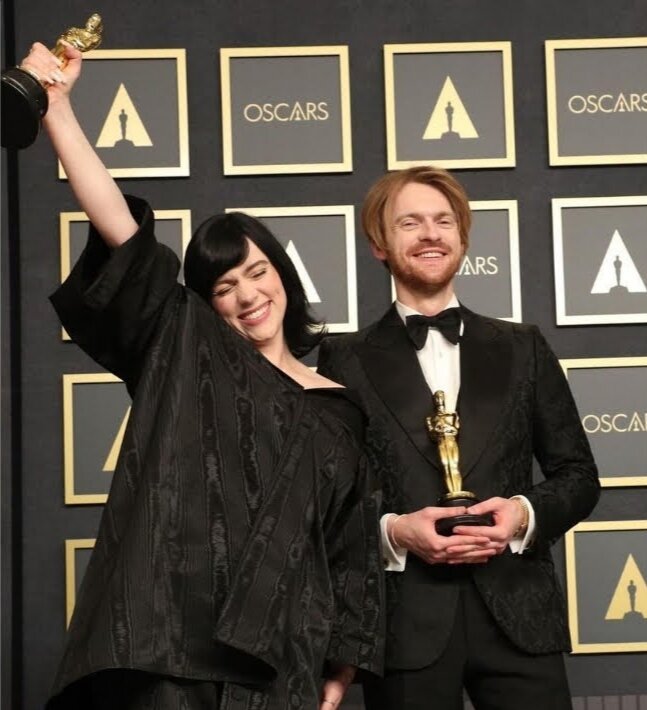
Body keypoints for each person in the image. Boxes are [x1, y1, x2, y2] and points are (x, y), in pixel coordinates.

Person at [20, 42, 383, 710]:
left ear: (282, 274)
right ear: (206, 304)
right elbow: (122, 233)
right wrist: (58, 112)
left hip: (284, 659)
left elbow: (349, 546)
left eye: (257, 272)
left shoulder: (342, 409)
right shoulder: (188, 349)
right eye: (223, 286)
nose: (248, 295)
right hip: (170, 644)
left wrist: (344, 662)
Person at [317, 166, 600, 710]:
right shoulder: (342, 360)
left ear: (463, 239)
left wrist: (522, 515)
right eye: (410, 223)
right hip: (404, 625)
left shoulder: (524, 347)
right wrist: (395, 532)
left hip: (520, 614)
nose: (431, 234)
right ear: (379, 244)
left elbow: (579, 477)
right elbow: (330, 502)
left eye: (443, 221)